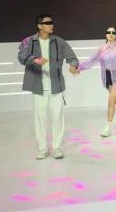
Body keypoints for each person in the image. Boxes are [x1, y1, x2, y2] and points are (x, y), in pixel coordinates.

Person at [18, 14, 79, 160]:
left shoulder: (59, 41)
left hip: (56, 85)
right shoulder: (29, 41)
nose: (51, 25)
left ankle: (56, 147)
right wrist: (34, 59)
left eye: (52, 22)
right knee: (40, 118)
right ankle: (42, 148)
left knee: (57, 117)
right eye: (47, 23)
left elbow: (72, 57)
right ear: (39, 26)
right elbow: (21, 57)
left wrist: (73, 65)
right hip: (38, 86)